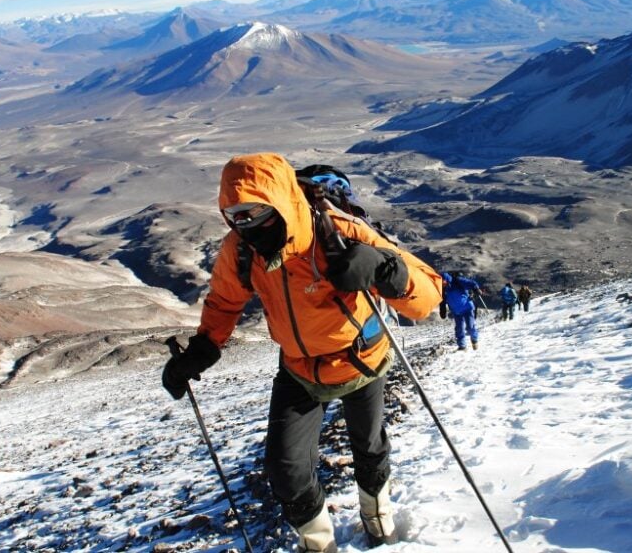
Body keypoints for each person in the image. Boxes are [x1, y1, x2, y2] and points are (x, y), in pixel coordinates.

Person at [161, 153, 442, 552]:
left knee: (369, 449)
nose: (246, 223)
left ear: (280, 202)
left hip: (360, 358)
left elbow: (427, 298)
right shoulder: (242, 249)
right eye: (235, 215)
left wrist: (384, 268)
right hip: (299, 367)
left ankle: (378, 520)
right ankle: (318, 545)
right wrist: (203, 348)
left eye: (255, 212)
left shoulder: (338, 232)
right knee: (286, 469)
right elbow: (224, 301)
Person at [439, 271, 482, 350]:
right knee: (459, 329)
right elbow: (442, 300)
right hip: (456, 312)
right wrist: (442, 309)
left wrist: (476, 288)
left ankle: (474, 340)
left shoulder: (457, 281)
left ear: (446, 279)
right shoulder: (443, 289)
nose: (442, 283)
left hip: (467, 308)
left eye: (443, 281)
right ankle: (462, 346)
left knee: (470, 327)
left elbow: (470, 283)